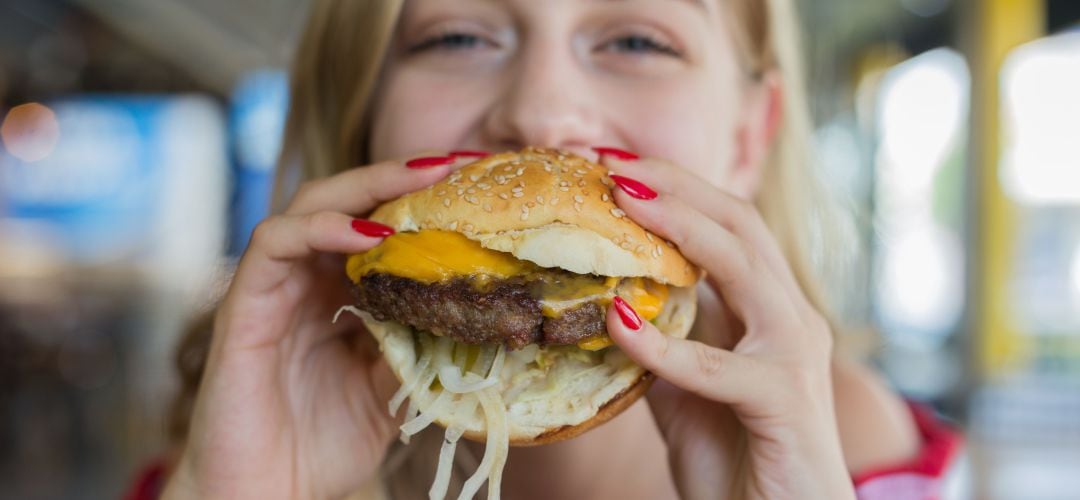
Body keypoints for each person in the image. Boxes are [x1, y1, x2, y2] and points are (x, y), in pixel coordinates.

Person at [136, 0, 963, 498]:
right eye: (458, 36)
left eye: (637, 40)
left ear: (749, 137)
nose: (540, 115)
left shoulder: (858, 450)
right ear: (362, 110)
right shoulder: (229, 446)